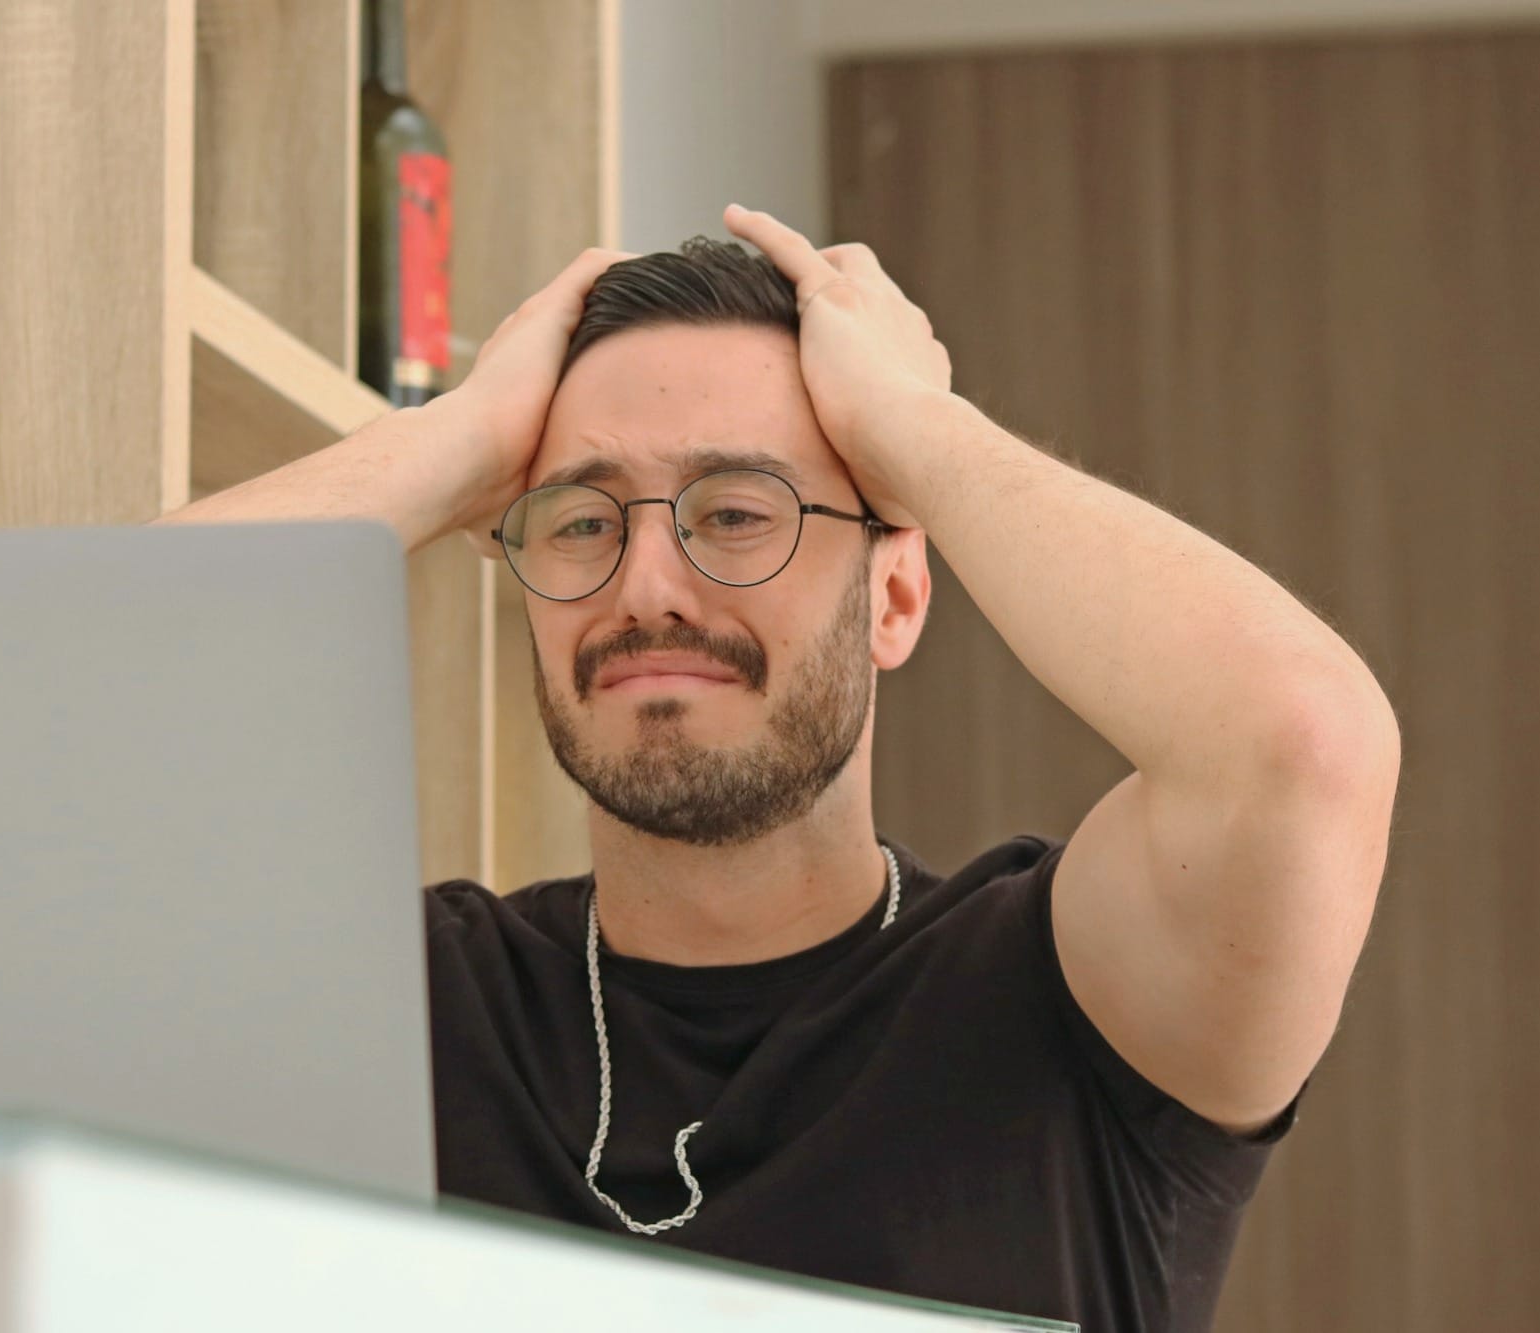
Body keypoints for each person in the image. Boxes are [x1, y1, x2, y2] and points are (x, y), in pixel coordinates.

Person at [153, 204, 1402, 1331]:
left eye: (737, 513)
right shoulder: (405, 1013)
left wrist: (916, 427)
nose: (645, 587)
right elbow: (13, 754)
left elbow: (1299, 743)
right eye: (583, 521)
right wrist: (460, 439)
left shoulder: (1074, 1010)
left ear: (894, 597)